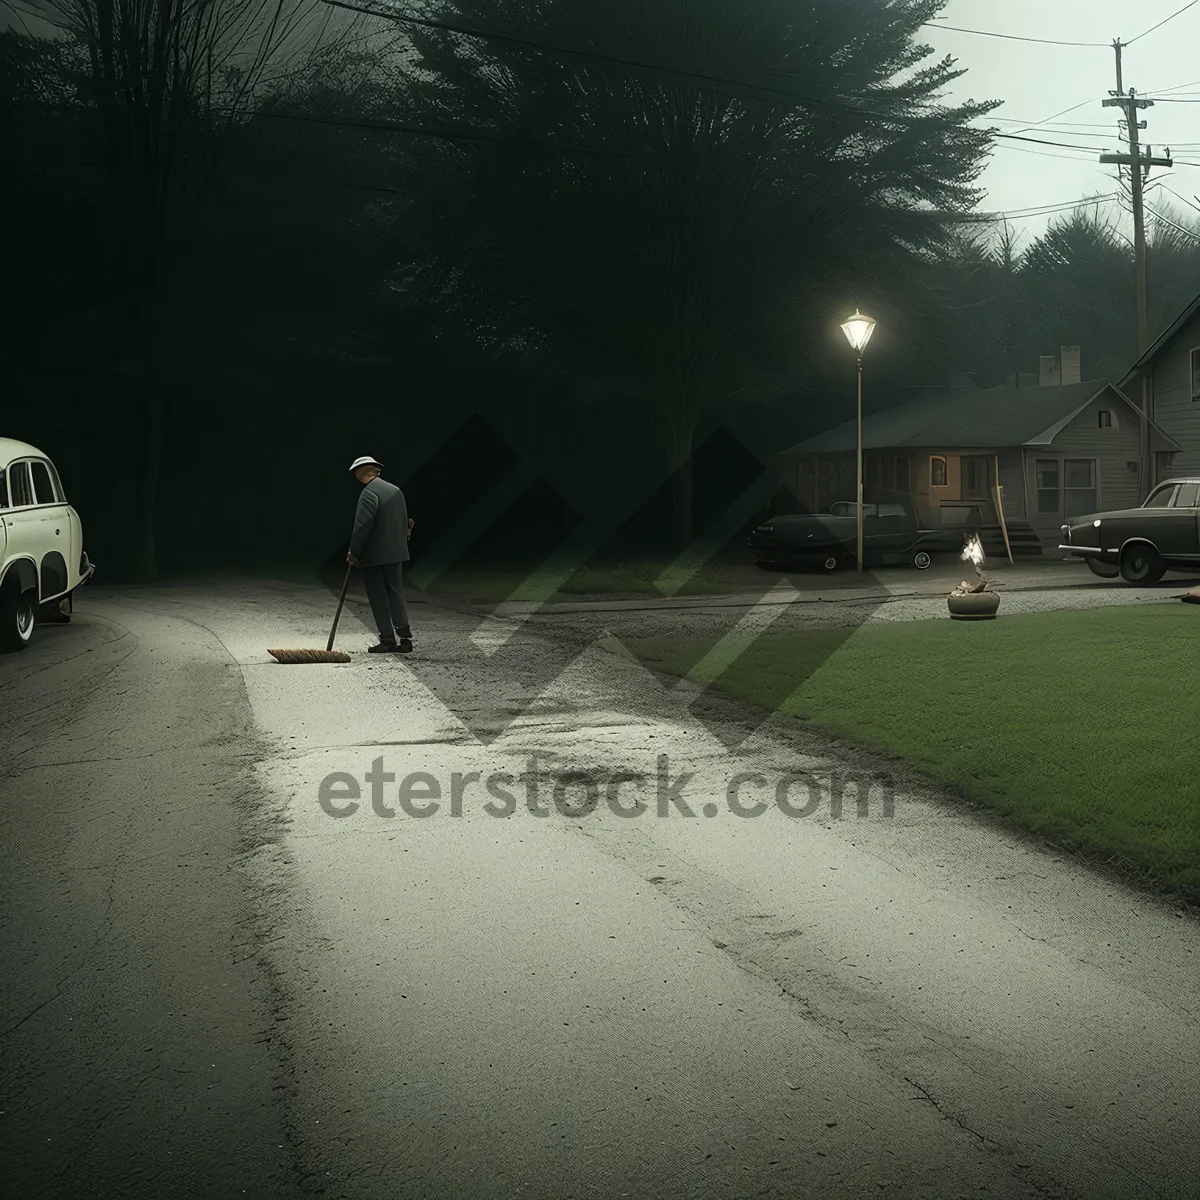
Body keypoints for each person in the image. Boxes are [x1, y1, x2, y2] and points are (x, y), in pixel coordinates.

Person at [346, 455, 415, 654]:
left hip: (374, 555)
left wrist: (354, 551)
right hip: (397, 551)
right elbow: (404, 522)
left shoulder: (369, 493)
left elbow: (362, 527)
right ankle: (405, 639)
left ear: (361, 472)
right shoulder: (396, 490)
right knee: (396, 592)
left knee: (378, 595)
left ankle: (387, 640)